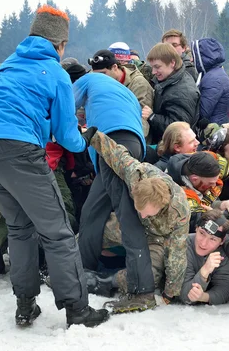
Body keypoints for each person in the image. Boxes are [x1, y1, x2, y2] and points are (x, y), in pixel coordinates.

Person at [0, 5, 108, 328]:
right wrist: (84, 141)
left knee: (19, 228)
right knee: (57, 232)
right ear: (60, 45)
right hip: (18, 152)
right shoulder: (56, 72)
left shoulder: (6, 66)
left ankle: (25, 305)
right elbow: (65, 132)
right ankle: (77, 309)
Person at [74, 72, 157, 314]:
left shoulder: (86, 81)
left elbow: (64, 109)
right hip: (133, 144)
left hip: (113, 144)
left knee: (127, 215)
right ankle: (82, 272)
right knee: (92, 210)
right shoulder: (125, 91)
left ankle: (142, 290)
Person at [81, 130, 190, 307]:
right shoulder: (137, 174)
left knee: (151, 275)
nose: (144, 214)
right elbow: (117, 153)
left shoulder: (179, 211)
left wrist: (170, 292)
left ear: (162, 205)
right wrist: (91, 134)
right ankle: (66, 267)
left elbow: (177, 253)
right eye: (142, 210)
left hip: (156, 240)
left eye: (148, 212)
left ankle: (107, 280)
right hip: (130, 225)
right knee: (92, 234)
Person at [142, 43, 200, 144]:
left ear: (172, 63)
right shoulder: (170, 80)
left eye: (157, 67)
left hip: (175, 149)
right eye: (152, 67)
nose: (153, 72)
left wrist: (152, 117)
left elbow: (179, 129)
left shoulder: (182, 92)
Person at [89, 49, 153, 139]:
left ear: (115, 67)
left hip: (132, 140)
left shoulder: (138, 85)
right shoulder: (100, 83)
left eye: (103, 74)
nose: (99, 78)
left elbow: (142, 122)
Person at [179, 209, 229, 305]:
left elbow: (225, 291)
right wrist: (204, 271)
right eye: (202, 233)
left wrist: (203, 297)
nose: (203, 243)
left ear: (222, 241)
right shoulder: (183, 245)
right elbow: (185, 296)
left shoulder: (225, 254)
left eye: (213, 239)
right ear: (196, 228)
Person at [191, 38, 229, 125]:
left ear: (202, 56)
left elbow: (203, 112)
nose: (192, 60)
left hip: (214, 130)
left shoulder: (213, 79)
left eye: (194, 56)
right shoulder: (216, 73)